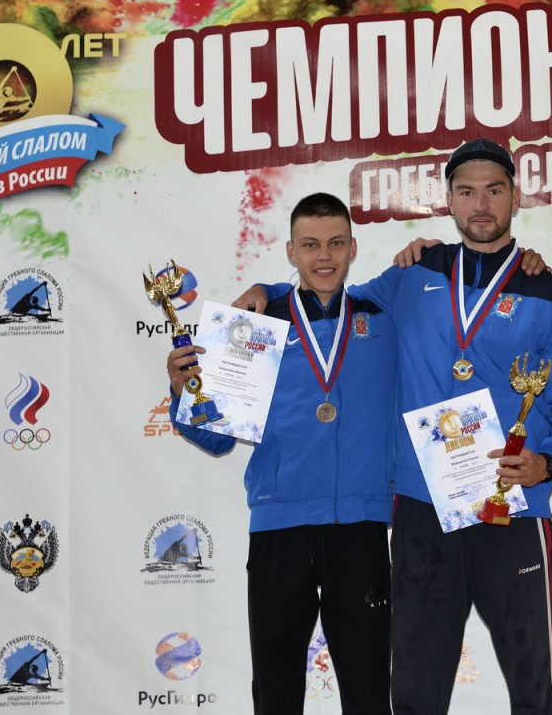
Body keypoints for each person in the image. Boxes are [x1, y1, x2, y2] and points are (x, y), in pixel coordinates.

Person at [242, 139, 552, 714]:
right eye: (467, 192)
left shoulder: (551, 294)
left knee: (534, 686)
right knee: (413, 695)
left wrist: (547, 462)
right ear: (449, 201)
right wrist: (269, 292)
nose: (481, 204)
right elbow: (331, 298)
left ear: (515, 197)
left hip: (511, 506)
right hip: (421, 512)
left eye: (494, 190)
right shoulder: (414, 274)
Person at [167, 193, 395, 715]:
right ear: (290, 251)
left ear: (353, 247)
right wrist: (184, 393)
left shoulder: (383, 318)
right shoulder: (255, 325)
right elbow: (217, 438)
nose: (324, 256)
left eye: (336, 243)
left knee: (367, 694)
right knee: (275, 693)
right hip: (280, 530)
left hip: (359, 529)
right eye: (310, 245)